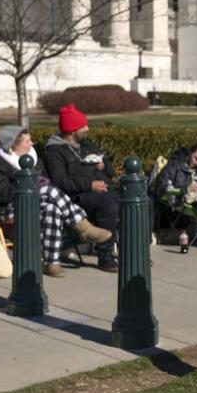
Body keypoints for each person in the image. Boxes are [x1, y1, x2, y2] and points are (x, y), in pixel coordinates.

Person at [0, 126, 112, 276]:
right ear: (13, 145)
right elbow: (1, 194)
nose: (32, 143)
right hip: (10, 208)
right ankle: (84, 227)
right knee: (47, 189)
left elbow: (48, 182)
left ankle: (51, 263)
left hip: (37, 202)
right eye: (27, 141)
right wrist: (27, 183)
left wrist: (37, 187)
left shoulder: (34, 158)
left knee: (53, 210)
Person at [43, 104, 121, 272]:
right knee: (108, 205)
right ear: (71, 131)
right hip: (79, 197)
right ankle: (105, 256)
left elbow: (111, 171)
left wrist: (103, 166)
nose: (87, 128)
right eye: (82, 126)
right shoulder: (55, 151)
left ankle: (135, 250)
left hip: (106, 189)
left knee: (141, 201)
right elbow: (61, 182)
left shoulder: (88, 145)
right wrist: (90, 185)